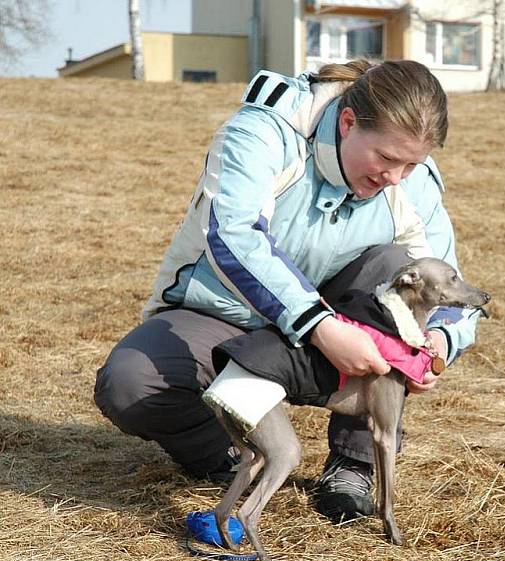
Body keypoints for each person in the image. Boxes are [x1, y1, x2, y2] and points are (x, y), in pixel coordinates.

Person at [93, 59, 483, 521]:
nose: (395, 177)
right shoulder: (262, 132)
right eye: (386, 158)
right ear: (347, 122)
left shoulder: (414, 182)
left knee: (398, 266)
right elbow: (235, 235)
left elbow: (448, 284)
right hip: (224, 313)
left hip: (341, 317)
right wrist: (317, 324)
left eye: (411, 164)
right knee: (131, 383)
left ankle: (354, 463)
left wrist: (439, 343)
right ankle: (229, 454)